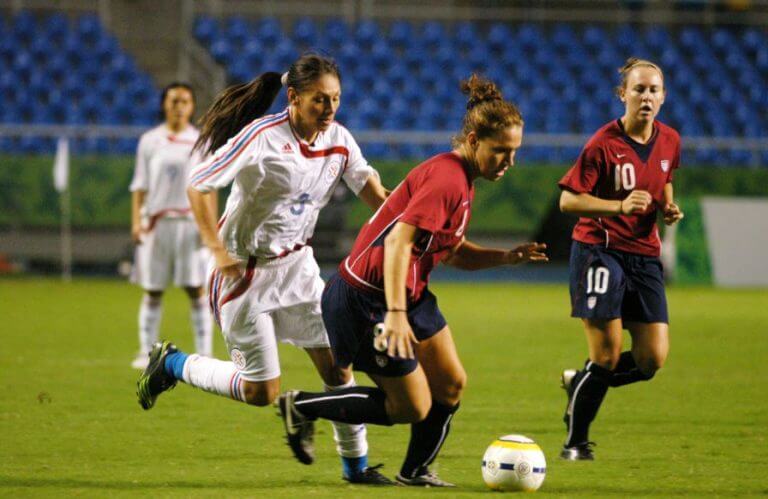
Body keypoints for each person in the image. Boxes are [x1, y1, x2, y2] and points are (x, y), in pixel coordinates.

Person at [277, 75, 548, 487]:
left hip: (407, 292)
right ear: (473, 139)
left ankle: (415, 472)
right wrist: (397, 315)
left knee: (451, 383)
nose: (509, 162)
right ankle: (302, 406)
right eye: (501, 152)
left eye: (514, 153)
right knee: (412, 406)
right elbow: (399, 242)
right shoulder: (447, 179)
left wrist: (505, 257)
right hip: (365, 300)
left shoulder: (462, 181)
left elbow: (452, 252)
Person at [135, 54, 393, 485]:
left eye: (336, 99)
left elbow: (367, 184)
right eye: (319, 100)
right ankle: (172, 364)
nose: (329, 109)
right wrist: (216, 251)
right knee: (262, 392)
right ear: (292, 97)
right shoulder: (261, 136)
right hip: (245, 275)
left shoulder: (340, 139)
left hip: (299, 267)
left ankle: (357, 468)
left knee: (338, 367)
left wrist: (401, 216)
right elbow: (198, 184)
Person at [557, 58, 684, 460]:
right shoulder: (602, 143)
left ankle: (581, 383)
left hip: (644, 255)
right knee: (607, 356)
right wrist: (619, 206)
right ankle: (576, 443)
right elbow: (568, 200)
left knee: (651, 360)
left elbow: (663, 176)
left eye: (653, 90)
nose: (646, 97)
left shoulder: (670, 140)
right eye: (639, 89)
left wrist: (667, 205)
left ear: (663, 97)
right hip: (599, 250)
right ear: (623, 94)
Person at [129, 82, 213, 369]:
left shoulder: (200, 142)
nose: (179, 106)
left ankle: (205, 353)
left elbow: (208, 187)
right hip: (157, 223)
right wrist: (136, 223)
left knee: (196, 288)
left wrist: (209, 229)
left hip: (190, 223)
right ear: (165, 104)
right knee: (152, 289)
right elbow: (140, 185)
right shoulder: (150, 140)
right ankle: (145, 351)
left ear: (192, 107)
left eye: (185, 101)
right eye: (174, 101)